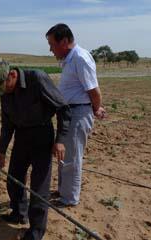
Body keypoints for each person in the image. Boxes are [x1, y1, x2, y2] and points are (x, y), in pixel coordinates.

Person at [0, 58, 71, 240]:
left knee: (39, 187)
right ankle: (18, 213)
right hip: (22, 136)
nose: (2, 93)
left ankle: (35, 232)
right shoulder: (5, 90)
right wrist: (1, 150)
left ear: (12, 75)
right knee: (14, 178)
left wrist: (60, 140)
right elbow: (7, 124)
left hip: (42, 135)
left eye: (3, 88)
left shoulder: (37, 79)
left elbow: (63, 108)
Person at [46, 23, 106, 207]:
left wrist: (96, 109)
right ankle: (63, 191)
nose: (50, 49)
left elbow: (94, 90)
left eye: (52, 44)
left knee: (72, 157)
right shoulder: (70, 59)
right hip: (69, 112)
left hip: (79, 112)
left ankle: (69, 198)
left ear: (64, 41)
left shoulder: (80, 58)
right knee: (65, 155)